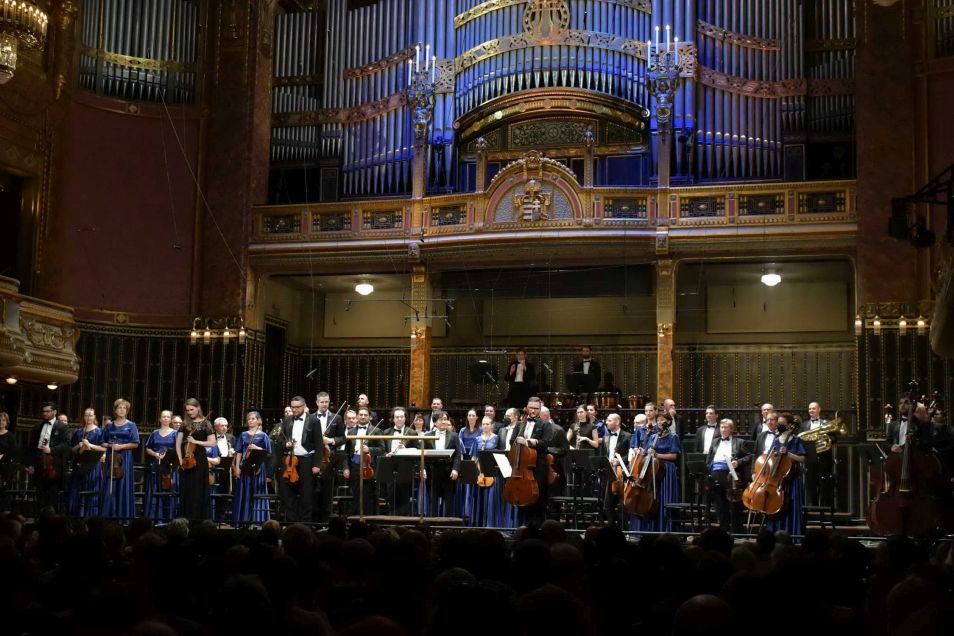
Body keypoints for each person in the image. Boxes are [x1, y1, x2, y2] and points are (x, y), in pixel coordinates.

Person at [632, 414, 682, 532]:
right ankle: (651, 527)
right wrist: (645, 451)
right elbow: (647, 452)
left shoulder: (673, 437)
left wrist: (657, 455)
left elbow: (674, 456)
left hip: (667, 470)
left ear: (668, 421)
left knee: (664, 497)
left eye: (662, 420)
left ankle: (665, 528)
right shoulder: (653, 436)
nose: (659, 422)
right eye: (658, 420)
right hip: (652, 470)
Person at [762, 412, 807, 537]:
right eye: (779, 423)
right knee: (774, 505)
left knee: (791, 507)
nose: (779, 425)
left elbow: (802, 459)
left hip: (791, 479)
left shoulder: (796, 440)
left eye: (782, 423)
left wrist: (788, 453)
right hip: (777, 479)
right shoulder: (776, 440)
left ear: (789, 425)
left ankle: (792, 534)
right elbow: (770, 458)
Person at [508, 396, 549, 526]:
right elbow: (511, 441)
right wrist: (517, 441)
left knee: (537, 498)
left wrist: (527, 442)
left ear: (540, 409)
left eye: (536, 408)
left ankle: (538, 527)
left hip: (538, 466)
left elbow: (545, 443)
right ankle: (523, 525)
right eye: (531, 408)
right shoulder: (520, 424)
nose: (533, 411)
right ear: (527, 407)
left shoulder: (545, 424)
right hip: (522, 466)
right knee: (522, 496)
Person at [277, 396, 320, 522]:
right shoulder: (287, 420)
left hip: (307, 460)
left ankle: (306, 523)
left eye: (297, 407)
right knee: (289, 492)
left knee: (306, 493)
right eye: (293, 407)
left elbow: (319, 443)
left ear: (304, 406)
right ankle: (291, 522)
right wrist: (285, 444)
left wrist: (317, 464)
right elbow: (280, 439)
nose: (294, 410)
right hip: (290, 461)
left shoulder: (314, 420)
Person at [705, 418, 749, 533]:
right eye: (722, 427)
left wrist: (737, 462)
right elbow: (709, 459)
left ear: (731, 429)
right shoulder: (715, 441)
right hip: (715, 473)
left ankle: (737, 530)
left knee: (734, 503)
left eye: (726, 427)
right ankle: (723, 529)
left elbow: (749, 457)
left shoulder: (739, 442)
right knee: (719, 503)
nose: (723, 429)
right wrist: (709, 468)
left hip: (731, 474)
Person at [27, 402, 71, 514]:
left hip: (53, 466)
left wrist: (51, 450)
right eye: (43, 411)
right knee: (39, 494)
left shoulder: (62, 427)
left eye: (48, 411)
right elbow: (31, 447)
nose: (45, 413)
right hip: (39, 462)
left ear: (54, 412)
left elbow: (66, 444)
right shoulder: (37, 426)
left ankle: (52, 519)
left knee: (52, 496)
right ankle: (39, 519)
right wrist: (30, 464)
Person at [176, 398, 216, 520]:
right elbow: (178, 443)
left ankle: (199, 519)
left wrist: (196, 441)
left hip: (199, 459)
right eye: (187, 410)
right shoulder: (184, 424)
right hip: (186, 459)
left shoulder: (206, 423)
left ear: (198, 408)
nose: (189, 412)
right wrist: (180, 460)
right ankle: (185, 518)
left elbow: (212, 443)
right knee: (186, 489)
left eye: (192, 409)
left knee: (198, 489)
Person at [232, 410, 273, 528]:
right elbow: (239, 452)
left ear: (258, 421)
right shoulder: (243, 435)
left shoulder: (263, 435)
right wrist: (237, 467)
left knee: (257, 492)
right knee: (244, 492)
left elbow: (268, 453)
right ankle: (243, 520)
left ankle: (257, 521)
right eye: (249, 419)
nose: (250, 421)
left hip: (258, 466)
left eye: (253, 419)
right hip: (245, 466)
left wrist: (256, 448)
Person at [102, 398, 139, 520]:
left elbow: (135, 443)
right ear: (115, 410)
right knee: (110, 485)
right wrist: (111, 445)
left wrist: (121, 446)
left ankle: (123, 517)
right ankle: (109, 516)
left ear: (127, 411)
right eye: (119, 408)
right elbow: (102, 442)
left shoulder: (131, 425)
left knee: (123, 485)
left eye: (124, 408)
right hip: (112, 457)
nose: (122, 410)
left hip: (125, 458)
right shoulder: (109, 425)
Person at [67, 407, 106, 517]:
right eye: (86, 415)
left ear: (94, 417)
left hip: (93, 466)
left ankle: (90, 515)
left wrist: (90, 445)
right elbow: (71, 450)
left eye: (91, 415)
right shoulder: (78, 432)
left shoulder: (100, 432)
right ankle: (76, 515)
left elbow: (104, 448)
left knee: (91, 489)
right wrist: (78, 445)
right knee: (77, 489)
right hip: (79, 465)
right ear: (83, 417)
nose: (88, 417)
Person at [312, 391, 345, 523]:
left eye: (327, 402)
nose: (325, 404)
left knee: (328, 492)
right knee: (314, 491)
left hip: (329, 459)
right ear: (317, 403)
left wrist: (330, 441)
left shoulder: (336, 418)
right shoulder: (310, 418)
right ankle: (314, 521)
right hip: (314, 459)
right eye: (322, 402)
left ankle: (326, 521)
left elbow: (343, 438)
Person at [346, 406, 384, 515]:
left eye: (365, 415)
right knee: (355, 493)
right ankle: (356, 519)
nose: (363, 417)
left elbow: (382, 449)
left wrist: (369, 449)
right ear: (357, 416)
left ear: (370, 417)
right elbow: (346, 452)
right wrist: (346, 468)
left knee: (368, 494)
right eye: (361, 415)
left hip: (369, 465)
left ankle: (368, 519)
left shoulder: (376, 431)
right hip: (354, 464)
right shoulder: (351, 431)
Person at [144, 409, 178, 522]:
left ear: (170, 419)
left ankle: (168, 518)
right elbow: (148, 448)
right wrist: (155, 454)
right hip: (156, 465)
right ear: (160, 419)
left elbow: (178, 449)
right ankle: (155, 518)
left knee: (169, 492)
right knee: (155, 489)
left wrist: (168, 454)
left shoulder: (175, 433)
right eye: (163, 416)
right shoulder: (154, 433)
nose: (166, 418)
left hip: (170, 467)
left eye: (168, 417)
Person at [426, 411, 461, 517]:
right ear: (435, 422)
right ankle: (432, 522)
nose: (444, 421)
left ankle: (448, 524)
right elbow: (424, 454)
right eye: (441, 419)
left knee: (449, 498)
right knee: (433, 498)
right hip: (432, 471)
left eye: (445, 419)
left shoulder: (454, 436)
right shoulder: (428, 436)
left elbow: (458, 454)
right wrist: (423, 469)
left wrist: (455, 469)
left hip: (448, 470)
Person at [382, 406, 415, 516]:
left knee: (404, 497)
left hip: (405, 467)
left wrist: (406, 450)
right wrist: (386, 454)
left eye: (401, 417)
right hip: (390, 466)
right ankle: (392, 520)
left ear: (405, 418)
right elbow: (382, 450)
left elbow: (418, 451)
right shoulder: (386, 432)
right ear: (393, 419)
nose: (399, 419)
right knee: (391, 496)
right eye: (397, 417)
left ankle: (404, 521)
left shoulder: (412, 433)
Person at [801, 401, 833, 508]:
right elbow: (800, 439)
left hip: (824, 458)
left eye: (813, 408)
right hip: (810, 458)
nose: (811, 410)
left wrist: (823, 439)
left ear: (819, 409)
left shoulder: (826, 423)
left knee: (824, 484)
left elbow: (834, 438)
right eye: (810, 408)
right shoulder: (804, 425)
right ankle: (812, 507)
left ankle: (825, 507)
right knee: (810, 483)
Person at [601, 413, 631, 526]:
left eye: (609, 420)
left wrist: (620, 461)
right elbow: (603, 455)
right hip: (609, 473)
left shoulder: (628, 436)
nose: (606, 422)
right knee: (608, 504)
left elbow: (631, 454)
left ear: (617, 422)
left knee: (622, 502)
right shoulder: (606, 437)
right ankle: (611, 527)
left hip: (622, 472)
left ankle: (623, 528)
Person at [473, 416, 501, 527]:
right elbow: (474, 456)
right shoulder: (477, 439)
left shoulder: (496, 438)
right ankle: (479, 524)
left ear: (492, 425)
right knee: (479, 498)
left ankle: (490, 524)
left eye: (487, 424)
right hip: (480, 472)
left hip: (492, 471)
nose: (485, 426)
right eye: (483, 424)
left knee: (491, 499)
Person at [458, 409, 481, 520]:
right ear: (467, 417)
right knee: (465, 486)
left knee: (473, 486)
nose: (471, 417)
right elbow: (459, 445)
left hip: (475, 459)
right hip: (465, 459)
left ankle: (472, 512)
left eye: (473, 415)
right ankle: (464, 512)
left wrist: (475, 460)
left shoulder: (480, 430)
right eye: (469, 415)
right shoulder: (462, 430)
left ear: (476, 417)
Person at [0, 411, 18, 510]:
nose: (1, 422)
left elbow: (14, 452)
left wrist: (3, 456)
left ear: (7, 422)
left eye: (3, 420)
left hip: (4, 467)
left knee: (3, 493)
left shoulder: (10, 436)